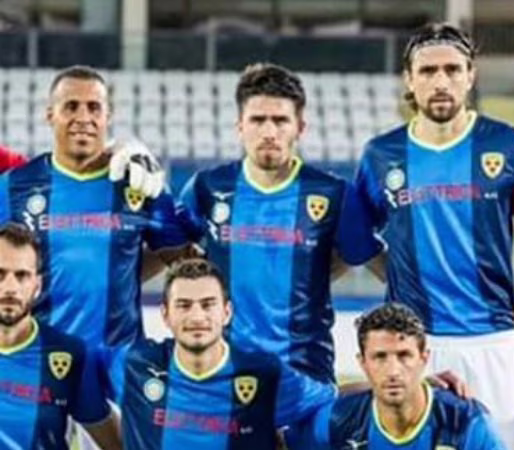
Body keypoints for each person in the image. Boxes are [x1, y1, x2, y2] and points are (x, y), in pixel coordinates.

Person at [354, 23, 514, 449]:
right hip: (413, 349)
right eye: (427, 71)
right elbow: (358, 242)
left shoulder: (510, 147)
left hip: (493, 346)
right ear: (409, 79)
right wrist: (403, 277)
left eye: (452, 69)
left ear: (471, 75)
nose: (440, 81)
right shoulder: (380, 156)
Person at [179, 63, 384, 384]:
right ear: (240, 126)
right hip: (223, 372)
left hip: (307, 374)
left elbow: (368, 259)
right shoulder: (206, 187)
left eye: (280, 120)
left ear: (300, 127)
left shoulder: (334, 194)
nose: (269, 132)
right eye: (257, 120)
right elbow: (172, 249)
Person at [0, 65, 188, 350]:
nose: (83, 118)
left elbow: (180, 256)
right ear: (50, 114)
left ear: (108, 116)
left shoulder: (140, 182)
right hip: (39, 359)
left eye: (94, 107)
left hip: (120, 362)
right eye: (71, 106)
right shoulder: (13, 186)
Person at [100, 258, 336, 449]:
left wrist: (290, 440)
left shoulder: (264, 374)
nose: (197, 317)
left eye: (208, 304)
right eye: (183, 305)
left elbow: (329, 401)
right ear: (165, 315)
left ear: (227, 312)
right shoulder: (133, 365)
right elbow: (83, 380)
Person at [295, 303, 506, 449]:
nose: (393, 370)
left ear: (423, 359)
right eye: (380, 357)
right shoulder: (335, 420)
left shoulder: (466, 422)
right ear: (363, 363)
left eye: (404, 356)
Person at [0, 222, 121, 449]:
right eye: (0, 274)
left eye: (22, 275)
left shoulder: (70, 354)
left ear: (37, 284)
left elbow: (115, 443)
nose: (10, 288)